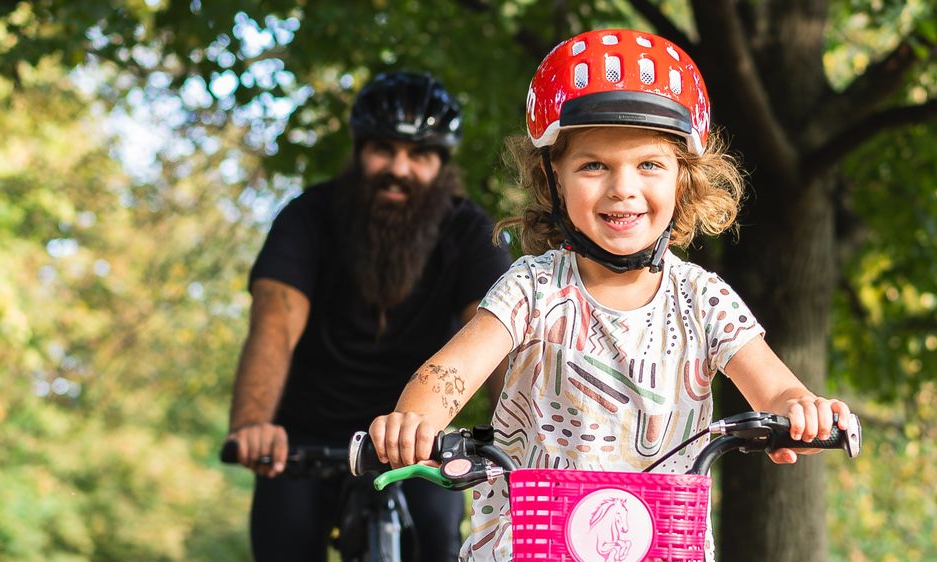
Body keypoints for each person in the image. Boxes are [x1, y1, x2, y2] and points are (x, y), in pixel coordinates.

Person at [365, 29, 855, 561]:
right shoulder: (532, 288)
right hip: (530, 547)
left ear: (682, 180)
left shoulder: (702, 300)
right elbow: (449, 374)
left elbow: (775, 389)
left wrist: (800, 410)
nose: (622, 186)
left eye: (649, 164)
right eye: (593, 165)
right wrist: (415, 419)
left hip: (664, 547)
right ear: (553, 176)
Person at [226, 71, 514, 561]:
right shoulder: (307, 217)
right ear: (358, 152)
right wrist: (254, 424)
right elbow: (274, 324)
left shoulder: (470, 233)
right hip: (306, 437)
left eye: (419, 154)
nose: (398, 168)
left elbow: (498, 337)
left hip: (419, 438)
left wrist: (530, 442)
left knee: (442, 543)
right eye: (384, 149)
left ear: (442, 165)